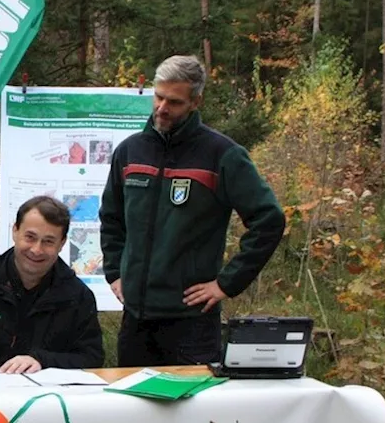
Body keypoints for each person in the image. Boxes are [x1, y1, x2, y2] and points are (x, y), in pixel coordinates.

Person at [99, 55, 285, 366]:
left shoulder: (222, 155)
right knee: (132, 411)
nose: (162, 108)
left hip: (192, 323)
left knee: (191, 414)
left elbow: (269, 220)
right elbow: (112, 217)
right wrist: (115, 273)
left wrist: (227, 283)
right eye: (158, 97)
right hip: (136, 320)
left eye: (174, 102)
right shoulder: (130, 152)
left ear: (195, 101)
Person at [0, 196, 103, 375]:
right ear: (15, 231)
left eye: (48, 241)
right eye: (30, 237)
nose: (36, 250)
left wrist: (42, 361)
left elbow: (91, 357)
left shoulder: (77, 296)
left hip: (49, 398)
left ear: (62, 243)